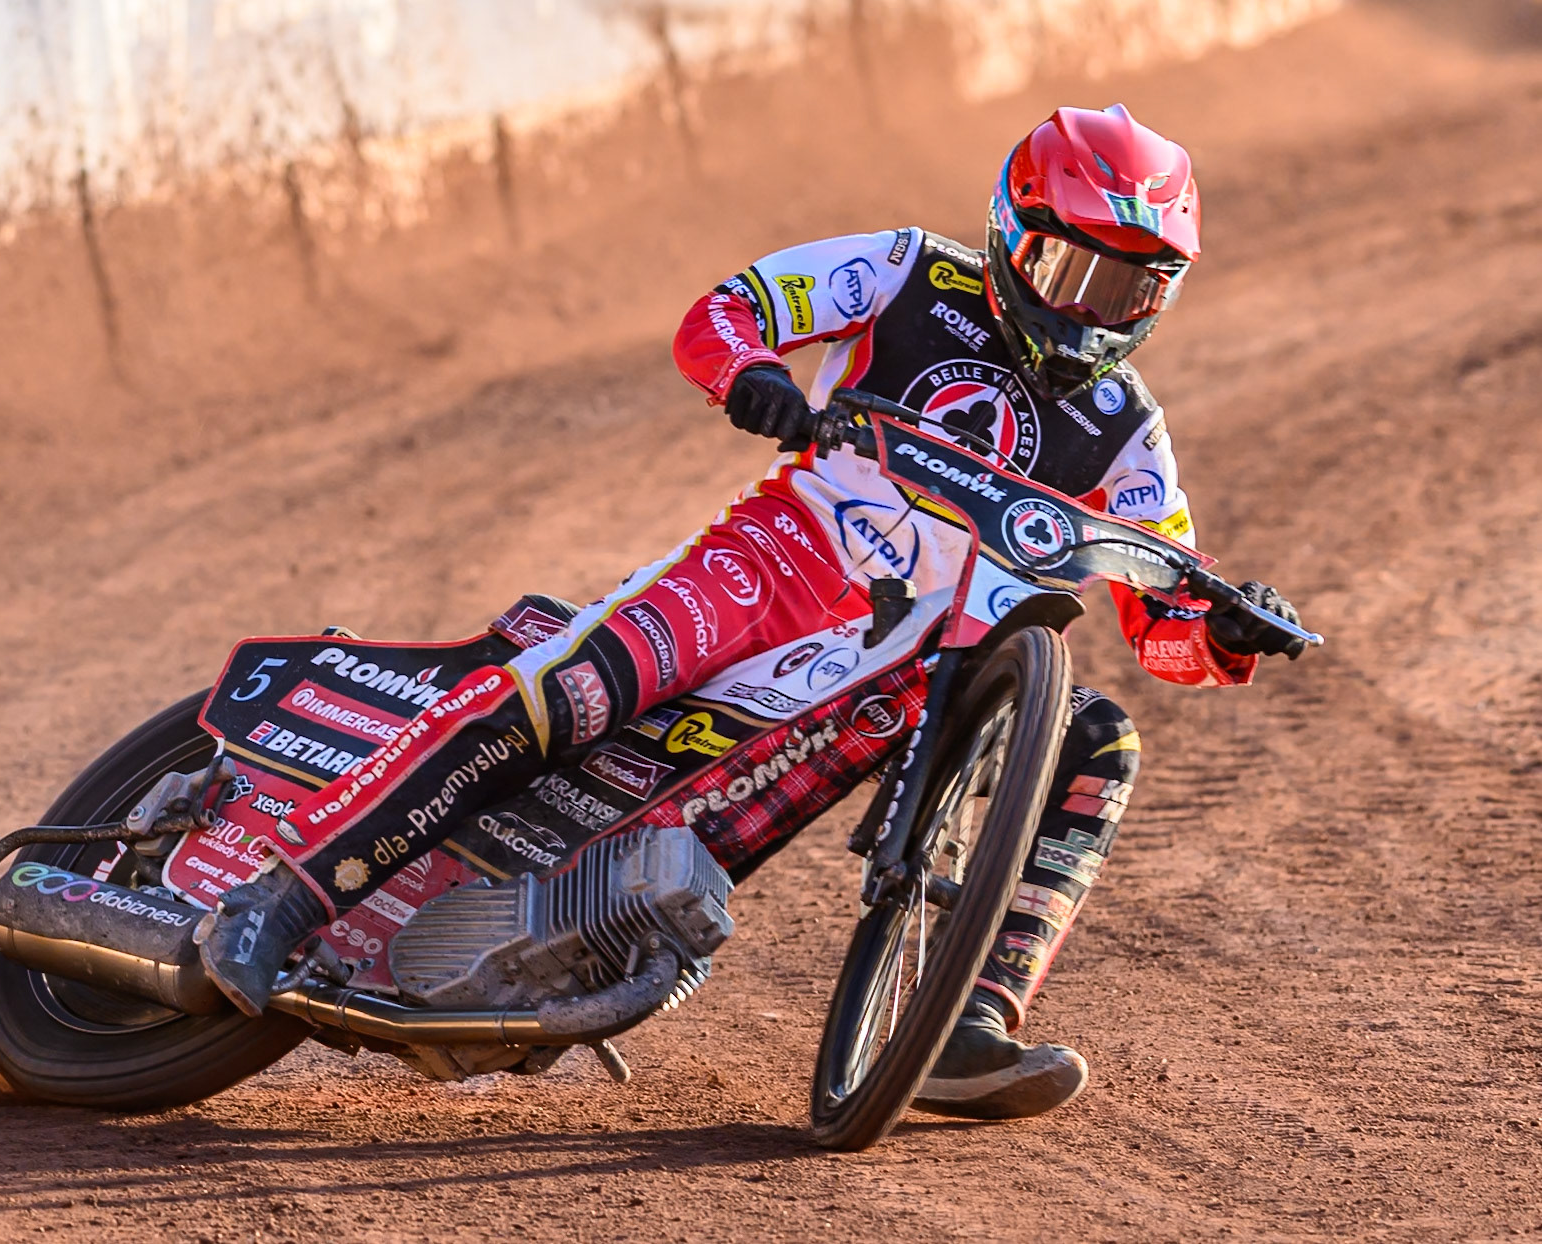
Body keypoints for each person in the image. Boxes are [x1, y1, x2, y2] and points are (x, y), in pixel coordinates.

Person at [196, 103, 1303, 1119]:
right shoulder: (912, 270)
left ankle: (967, 1019)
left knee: (1100, 736)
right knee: (565, 695)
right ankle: (278, 901)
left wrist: (1225, 629)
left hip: (915, 664)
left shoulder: (1126, 426)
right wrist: (752, 377)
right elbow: (728, 311)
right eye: (1072, 269)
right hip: (775, 560)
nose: (1089, 311)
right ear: (1014, 231)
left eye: (1129, 290)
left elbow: (1167, 609)